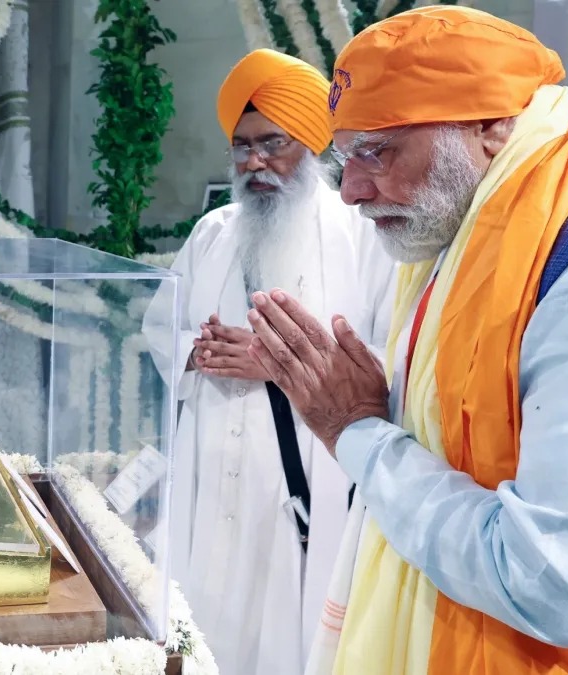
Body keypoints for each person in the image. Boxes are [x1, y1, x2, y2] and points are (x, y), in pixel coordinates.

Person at [244, 7, 568, 675]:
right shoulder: (465, 229)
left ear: (492, 124)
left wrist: (358, 432)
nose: (352, 192)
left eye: (377, 150)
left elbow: (561, 585)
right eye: (344, 157)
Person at [142, 49, 396, 675]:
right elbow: (159, 328)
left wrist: (279, 361)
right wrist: (197, 351)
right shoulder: (213, 233)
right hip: (210, 470)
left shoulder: (362, 236)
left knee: (288, 633)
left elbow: (394, 358)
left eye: (272, 144)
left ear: (312, 143)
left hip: (302, 480)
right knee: (201, 618)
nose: (254, 162)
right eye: (242, 146)